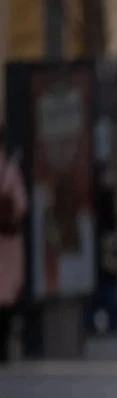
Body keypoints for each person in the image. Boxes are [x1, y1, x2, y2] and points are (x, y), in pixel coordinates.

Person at [0, 124, 29, 364]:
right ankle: (5, 351)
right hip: (8, 242)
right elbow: (21, 206)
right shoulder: (10, 169)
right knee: (7, 295)